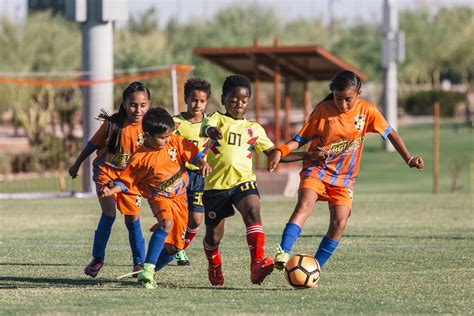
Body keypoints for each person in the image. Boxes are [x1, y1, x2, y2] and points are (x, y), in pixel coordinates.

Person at [268, 70, 425, 280]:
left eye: (348, 99)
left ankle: (314, 269)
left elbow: (391, 134)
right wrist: (281, 150)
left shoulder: (367, 111)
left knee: (339, 223)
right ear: (332, 94)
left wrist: (408, 159)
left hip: (344, 178)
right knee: (305, 204)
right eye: (338, 98)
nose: (342, 105)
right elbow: (300, 139)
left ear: (358, 93)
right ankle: (283, 252)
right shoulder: (323, 110)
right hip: (317, 170)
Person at [199, 74, 306, 286]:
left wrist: (309, 155)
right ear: (223, 99)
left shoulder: (254, 129)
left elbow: (274, 153)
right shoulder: (215, 119)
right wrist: (211, 131)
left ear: (249, 101)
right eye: (233, 99)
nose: (239, 104)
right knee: (213, 236)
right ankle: (214, 264)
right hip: (216, 187)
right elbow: (205, 128)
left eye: (244, 100)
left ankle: (257, 265)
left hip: (243, 182)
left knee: (253, 210)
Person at [101, 107, 211, 289]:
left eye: (168, 136)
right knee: (166, 225)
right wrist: (112, 190)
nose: (166, 140)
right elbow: (127, 180)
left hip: (180, 198)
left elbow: (194, 154)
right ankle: (148, 269)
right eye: (162, 137)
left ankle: (148, 272)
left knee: (176, 247)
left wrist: (202, 163)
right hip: (159, 197)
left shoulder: (174, 142)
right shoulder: (140, 157)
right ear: (147, 135)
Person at [68, 81, 152, 278]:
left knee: (133, 221)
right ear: (124, 103)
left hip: (130, 180)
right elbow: (91, 145)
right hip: (106, 173)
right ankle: (98, 259)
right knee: (109, 214)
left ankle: (138, 264)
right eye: (133, 104)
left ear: (149, 104)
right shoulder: (113, 124)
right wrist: (77, 163)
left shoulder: (150, 128)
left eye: (142, 105)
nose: (137, 109)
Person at [172, 77, 212, 266]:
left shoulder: (210, 125)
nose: (197, 105)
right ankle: (177, 250)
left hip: (199, 177)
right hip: (179, 174)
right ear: (186, 99)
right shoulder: (175, 123)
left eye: (202, 101)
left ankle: (181, 247)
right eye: (194, 100)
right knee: (178, 215)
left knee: (195, 220)